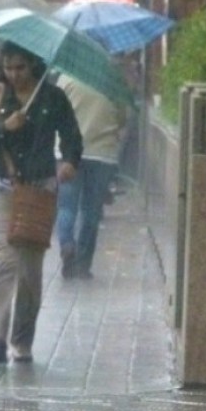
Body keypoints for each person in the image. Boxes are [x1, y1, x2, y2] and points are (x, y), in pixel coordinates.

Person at [0, 41, 82, 364]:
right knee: (4, 261)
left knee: (30, 272)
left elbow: (73, 137)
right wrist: (4, 126)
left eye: (20, 67)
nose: (14, 75)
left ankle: (22, 340)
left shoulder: (53, 97)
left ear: (33, 64)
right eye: (8, 67)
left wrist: (70, 162)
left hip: (37, 191)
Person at [55, 73, 126, 279]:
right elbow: (121, 118)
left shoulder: (66, 78)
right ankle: (83, 263)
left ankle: (67, 244)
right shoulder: (113, 82)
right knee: (91, 210)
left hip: (68, 153)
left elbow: (57, 112)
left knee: (66, 206)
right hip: (102, 154)